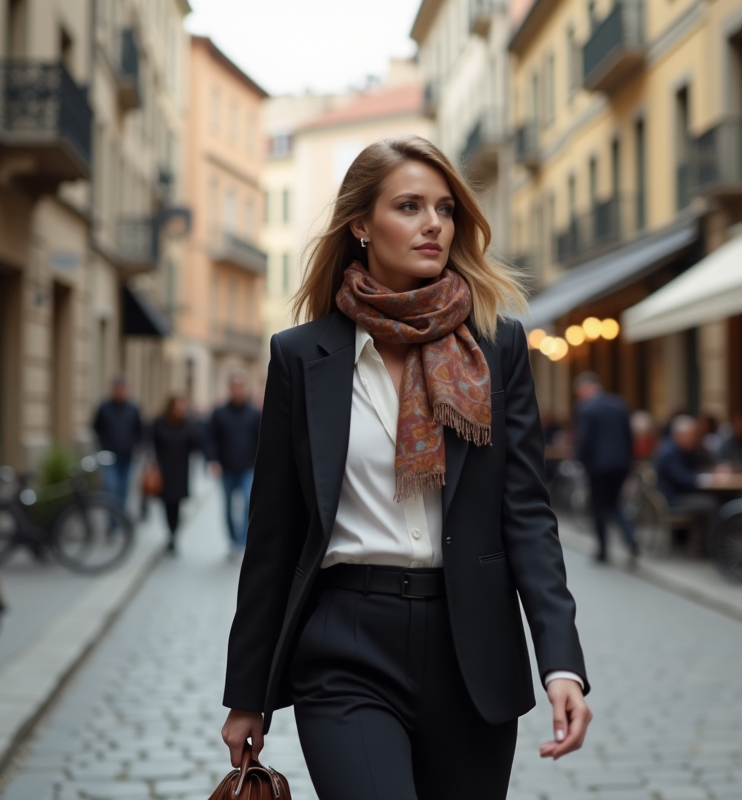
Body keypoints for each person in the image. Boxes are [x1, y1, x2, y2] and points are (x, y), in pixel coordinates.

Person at [220, 136, 590, 800]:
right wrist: (249, 694)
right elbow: (274, 536)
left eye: (445, 209)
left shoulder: (497, 344)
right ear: (360, 224)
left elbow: (528, 517)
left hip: (470, 647)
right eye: (410, 206)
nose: (433, 225)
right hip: (345, 645)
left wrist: (562, 662)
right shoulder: (302, 358)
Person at [573, 372, 637, 561]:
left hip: (598, 466)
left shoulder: (586, 409)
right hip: (621, 464)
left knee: (599, 507)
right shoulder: (619, 404)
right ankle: (630, 537)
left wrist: (579, 460)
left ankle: (603, 551)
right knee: (615, 504)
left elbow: (584, 440)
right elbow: (628, 436)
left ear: (586, 388)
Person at [205, 371, 261, 553]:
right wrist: (213, 460)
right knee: (228, 506)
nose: (237, 390)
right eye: (234, 386)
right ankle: (232, 540)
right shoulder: (219, 412)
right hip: (226, 468)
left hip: (247, 467)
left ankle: (242, 541)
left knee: (246, 503)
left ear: (244, 388)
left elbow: (262, 439)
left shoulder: (254, 413)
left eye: (240, 386)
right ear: (230, 388)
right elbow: (211, 438)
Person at [150, 394, 202, 553]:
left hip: (180, 470)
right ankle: (170, 533)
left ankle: (174, 535)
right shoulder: (159, 423)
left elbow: (196, 445)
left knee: (177, 504)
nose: (180, 409)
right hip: (164, 469)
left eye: (183, 406)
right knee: (166, 504)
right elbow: (152, 443)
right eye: (178, 406)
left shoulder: (188, 424)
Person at [654, 414, 719, 536]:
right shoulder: (670, 453)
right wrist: (708, 477)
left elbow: (696, 467)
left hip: (680, 495)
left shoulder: (680, 449)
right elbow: (683, 478)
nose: (694, 439)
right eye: (691, 435)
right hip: (673, 499)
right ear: (680, 435)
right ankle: (711, 546)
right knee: (711, 504)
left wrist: (709, 473)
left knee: (710, 500)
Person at [92, 377, 145, 514]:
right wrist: (103, 443)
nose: (120, 392)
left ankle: (120, 517)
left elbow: (140, 431)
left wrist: (135, 445)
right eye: (118, 389)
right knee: (110, 487)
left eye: (123, 389)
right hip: (108, 455)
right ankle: (112, 519)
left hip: (127, 456)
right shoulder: (104, 407)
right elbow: (96, 428)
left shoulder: (133, 408)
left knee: (123, 489)